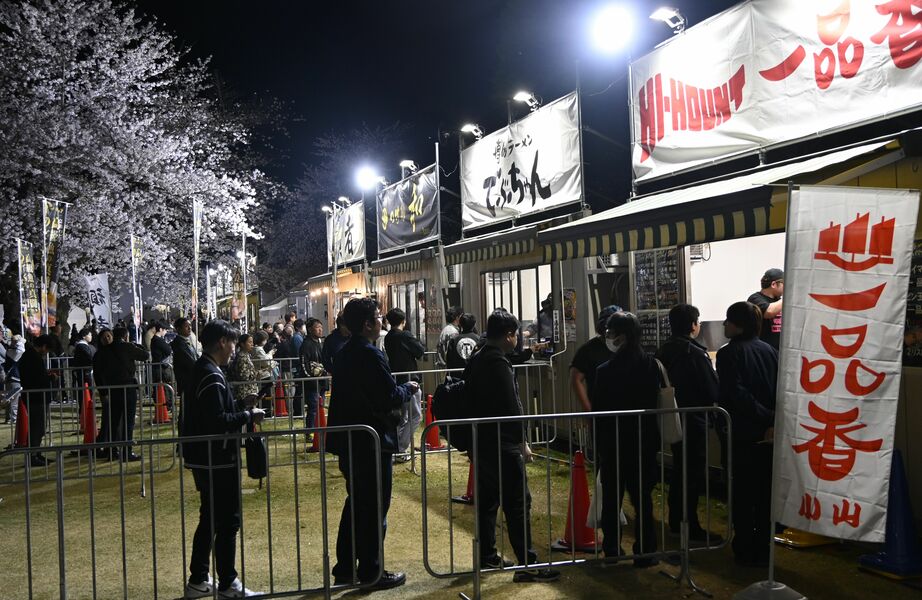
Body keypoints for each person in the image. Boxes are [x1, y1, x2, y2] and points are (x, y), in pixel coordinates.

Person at [326, 298, 418, 590]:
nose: (382, 321)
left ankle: (345, 567)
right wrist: (407, 388)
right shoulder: (369, 354)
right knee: (375, 507)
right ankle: (371, 571)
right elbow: (386, 396)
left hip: (350, 440)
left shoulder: (345, 352)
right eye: (379, 317)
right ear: (367, 324)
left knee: (356, 504)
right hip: (370, 441)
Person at [465, 309, 559, 582]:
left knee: (488, 501)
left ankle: (487, 555)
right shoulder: (498, 363)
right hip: (502, 443)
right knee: (517, 502)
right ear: (508, 335)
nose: (517, 339)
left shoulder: (478, 357)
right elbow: (512, 405)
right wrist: (522, 442)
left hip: (480, 440)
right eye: (516, 334)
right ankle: (527, 563)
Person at [181, 320, 265, 599]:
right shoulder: (211, 375)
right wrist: (248, 415)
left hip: (205, 457)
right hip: (217, 458)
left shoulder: (203, 370)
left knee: (209, 518)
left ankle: (199, 578)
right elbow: (217, 421)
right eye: (232, 343)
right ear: (221, 342)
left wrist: (240, 404)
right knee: (228, 521)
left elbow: (213, 412)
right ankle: (228, 582)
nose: (233, 349)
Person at [592, 312, 662, 566]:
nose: (608, 337)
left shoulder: (604, 371)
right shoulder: (651, 366)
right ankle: (645, 551)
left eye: (610, 332)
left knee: (612, 499)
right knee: (643, 499)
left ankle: (612, 549)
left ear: (621, 336)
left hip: (613, 443)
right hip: (643, 441)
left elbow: (598, 411)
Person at [717, 301, 778, 568]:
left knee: (742, 494)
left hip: (742, 432)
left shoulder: (729, 354)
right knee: (765, 495)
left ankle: (744, 547)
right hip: (768, 434)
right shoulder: (770, 351)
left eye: (728, 320)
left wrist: (761, 415)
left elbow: (736, 393)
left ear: (738, 325)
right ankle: (764, 548)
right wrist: (772, 417)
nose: (724, 324)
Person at [656, 304, 721, 543]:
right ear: (693, 325)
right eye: (698, 321)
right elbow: (712, 389)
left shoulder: (664, 350)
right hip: (694, 419)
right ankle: (690, 526)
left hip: (673, 417)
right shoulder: (694, 353)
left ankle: (676, 520)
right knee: (692, 474)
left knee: (679, 471)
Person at [94, 326, 149, 461]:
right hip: (127, 387)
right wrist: (134, 345)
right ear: (125, 336)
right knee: (128, 422)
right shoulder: (126, 347)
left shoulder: (101, 353)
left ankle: (112, 451)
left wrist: (103, 392)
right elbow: (145, 355)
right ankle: (126, 451)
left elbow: (98, 375)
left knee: (114, 421)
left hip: (112, 390)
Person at [384, 308, 426, 456]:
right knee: (415, 416)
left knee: (403, 417)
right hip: (409, 380)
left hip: (396, 380)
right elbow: (420, 351)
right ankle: (400, 448)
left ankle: (396, 445)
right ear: (404, 321)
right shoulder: (405, 335)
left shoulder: (388, 337)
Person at [570, 305, 621, 412]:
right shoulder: (588, 350)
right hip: (600, 408)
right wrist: (588, 410)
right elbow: (576, 379)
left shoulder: (626, 347)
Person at [18, 334, 57, 464]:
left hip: (35, 396)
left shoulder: (29, 356)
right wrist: (50, 378)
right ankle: (33, 455)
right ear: (44, 346)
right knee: (37, 427)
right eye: (47, 350)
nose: (46, 353)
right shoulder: (32, 358)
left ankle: (36, 453)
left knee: (38, 427)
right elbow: (37, 378)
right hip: (36, 397)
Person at [298, 317, 326, 433]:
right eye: (317, 327)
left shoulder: (320, 343)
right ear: (310, 329)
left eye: (321, 327)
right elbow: (303, 364)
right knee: (313, 408)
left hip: (322, 380)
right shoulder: (306, 344)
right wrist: (310, 378)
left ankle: (319, 430)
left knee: (320, 406)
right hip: (312, 383)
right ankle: (310, 431)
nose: (320, 330)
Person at [747, 268, 784, 351]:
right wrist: (788, 296)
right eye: (784, 284)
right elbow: (769, 312)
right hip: (762, 352)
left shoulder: (779, 301)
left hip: (779, 352)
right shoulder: (754, 299)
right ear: (773, 284)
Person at [170, 318, 198, 405]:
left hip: (191, 378)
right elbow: (189, 361)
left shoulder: (186, 341)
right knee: (187, 404)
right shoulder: (179, 343)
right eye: (186, 326)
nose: (190, 328)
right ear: (178, 329)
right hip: (186, 379)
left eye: (190, 325)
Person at [149, 321, 174, 408]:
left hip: (157, 366)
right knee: (164, 386)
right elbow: (168, 350)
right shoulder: (158, 340)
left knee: (159, 386)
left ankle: (162, 404)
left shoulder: (154, 339)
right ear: (160, 329)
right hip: (161, 367)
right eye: (165, 330)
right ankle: (167, 404)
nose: (166, 332)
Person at [229, 334, 259, 405]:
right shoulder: (242, 357)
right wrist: (256, 373)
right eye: (250, 342)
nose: (252, 344)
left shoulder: (246, 355)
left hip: (249, 389)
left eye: (252, 342)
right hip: (244, 392)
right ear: (242, 344)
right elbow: (244, 376)